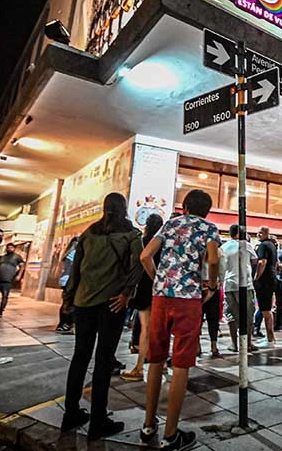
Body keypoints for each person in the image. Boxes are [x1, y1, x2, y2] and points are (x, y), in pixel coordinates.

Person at [139, 189, 220, 450]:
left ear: (184, 207)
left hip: (161, 297)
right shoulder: (209, 228)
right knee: (181, 364)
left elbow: (145, 256)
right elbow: (213, 259)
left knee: (155, 359)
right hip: (189, 300)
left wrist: (158, 280)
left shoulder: (170, 223)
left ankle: (148, 425)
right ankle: (171, 434)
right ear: (206, 210)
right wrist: (212, 284)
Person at [61, 193, 143, 440]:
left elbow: (76, 267)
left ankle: (71, 413)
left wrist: (70, 297)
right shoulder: (131, 234)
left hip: (83, 303)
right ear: (125, 209)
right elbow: (139, 264)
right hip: (112, 305)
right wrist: (127, 293)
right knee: (104, 360)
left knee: (80, 357)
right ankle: (98, 421)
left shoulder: (89, 233)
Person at [121, 213, 165, 382]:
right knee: (161, 328)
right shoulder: (163, 242)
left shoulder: (143, 241)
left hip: (145, 287)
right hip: (160, 288)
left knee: (146, 329)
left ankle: (139, 367)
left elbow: (140, 260)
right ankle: (162, 365)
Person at [218, 223, 258, 353]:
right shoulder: (246, 245)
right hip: (245, 284)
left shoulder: (224, 247)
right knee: (248, 315)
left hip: (229, 284)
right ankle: (248, 343)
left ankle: (234, 344)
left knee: (231, 315)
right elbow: (255, 260)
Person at [252, 227, 277, 344]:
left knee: (265, 310)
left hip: (264, 281)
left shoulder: (263, 246)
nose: (258, 234)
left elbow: (262, 262)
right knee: (267, 309)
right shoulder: (272, 245)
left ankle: (270, 338)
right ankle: (270, 337)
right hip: (271, 279)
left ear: (266, 233)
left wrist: (256, 277)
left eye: (260, 232)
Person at [0, 243, 24, 318]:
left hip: (8, 280)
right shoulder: (3, 257)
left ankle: (1, 311)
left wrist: (19, 275)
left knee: (5, 296)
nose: (9, 249)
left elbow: (22, 265)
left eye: (11, 247)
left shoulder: (17, 257)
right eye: (8, 247)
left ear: (14, 248)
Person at [55, 237, 79, 333]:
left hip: (65, 281)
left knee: (67, 303)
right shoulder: (74, 254)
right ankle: (66, 324)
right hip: (70, 281)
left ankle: (63, 324)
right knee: (70, 303)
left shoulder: (67, 255)